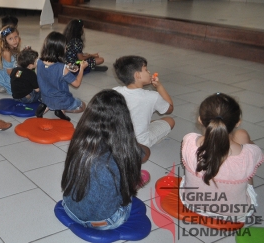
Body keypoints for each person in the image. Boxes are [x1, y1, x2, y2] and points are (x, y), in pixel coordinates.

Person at [61, 90, 147, 230]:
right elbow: (142, 154)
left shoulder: (79, 142)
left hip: (70, 209)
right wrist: (131, 143)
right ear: (123, 121)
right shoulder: (121, 154)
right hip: (103, 222)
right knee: (129, 179)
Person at [180, 93, 264, 222]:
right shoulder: (250, 153)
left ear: (200, 120)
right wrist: (248, 146)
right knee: (243, 136)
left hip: (193, 205)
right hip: (236, 214)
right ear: (238, 122)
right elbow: (253, 153)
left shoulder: (188, 140)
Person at [113, 56, 174, 153]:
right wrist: (159, 86)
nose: (149, 72)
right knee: (170, 121)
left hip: (117, 139)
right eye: (146, 70)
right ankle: (154, 140)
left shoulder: (115, 91)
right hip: (139, 142)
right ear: (137, 75)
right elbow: (170, 108)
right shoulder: (152, 96)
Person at [36, 32, 87, 122]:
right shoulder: (61, 68)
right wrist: (82, 68)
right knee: (83, 105)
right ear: (59, 49)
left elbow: (51, 70)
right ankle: (60, 110)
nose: (66, 48)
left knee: (50, 100)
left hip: (45, 97)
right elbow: (77, 84)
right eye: (65, 47)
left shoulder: (39, 62)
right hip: (61, 100)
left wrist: (67, 68)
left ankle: (47, 106)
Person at [0, 25, 21, 95]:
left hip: (12, 72)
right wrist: (20, 75)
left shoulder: (13, 47)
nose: (14, 40)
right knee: (22, 87)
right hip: (6, 77)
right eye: (10, 39)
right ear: (5, 41)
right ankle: (1, 86)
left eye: (16, 37)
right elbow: (10, 72)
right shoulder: (7, 52)